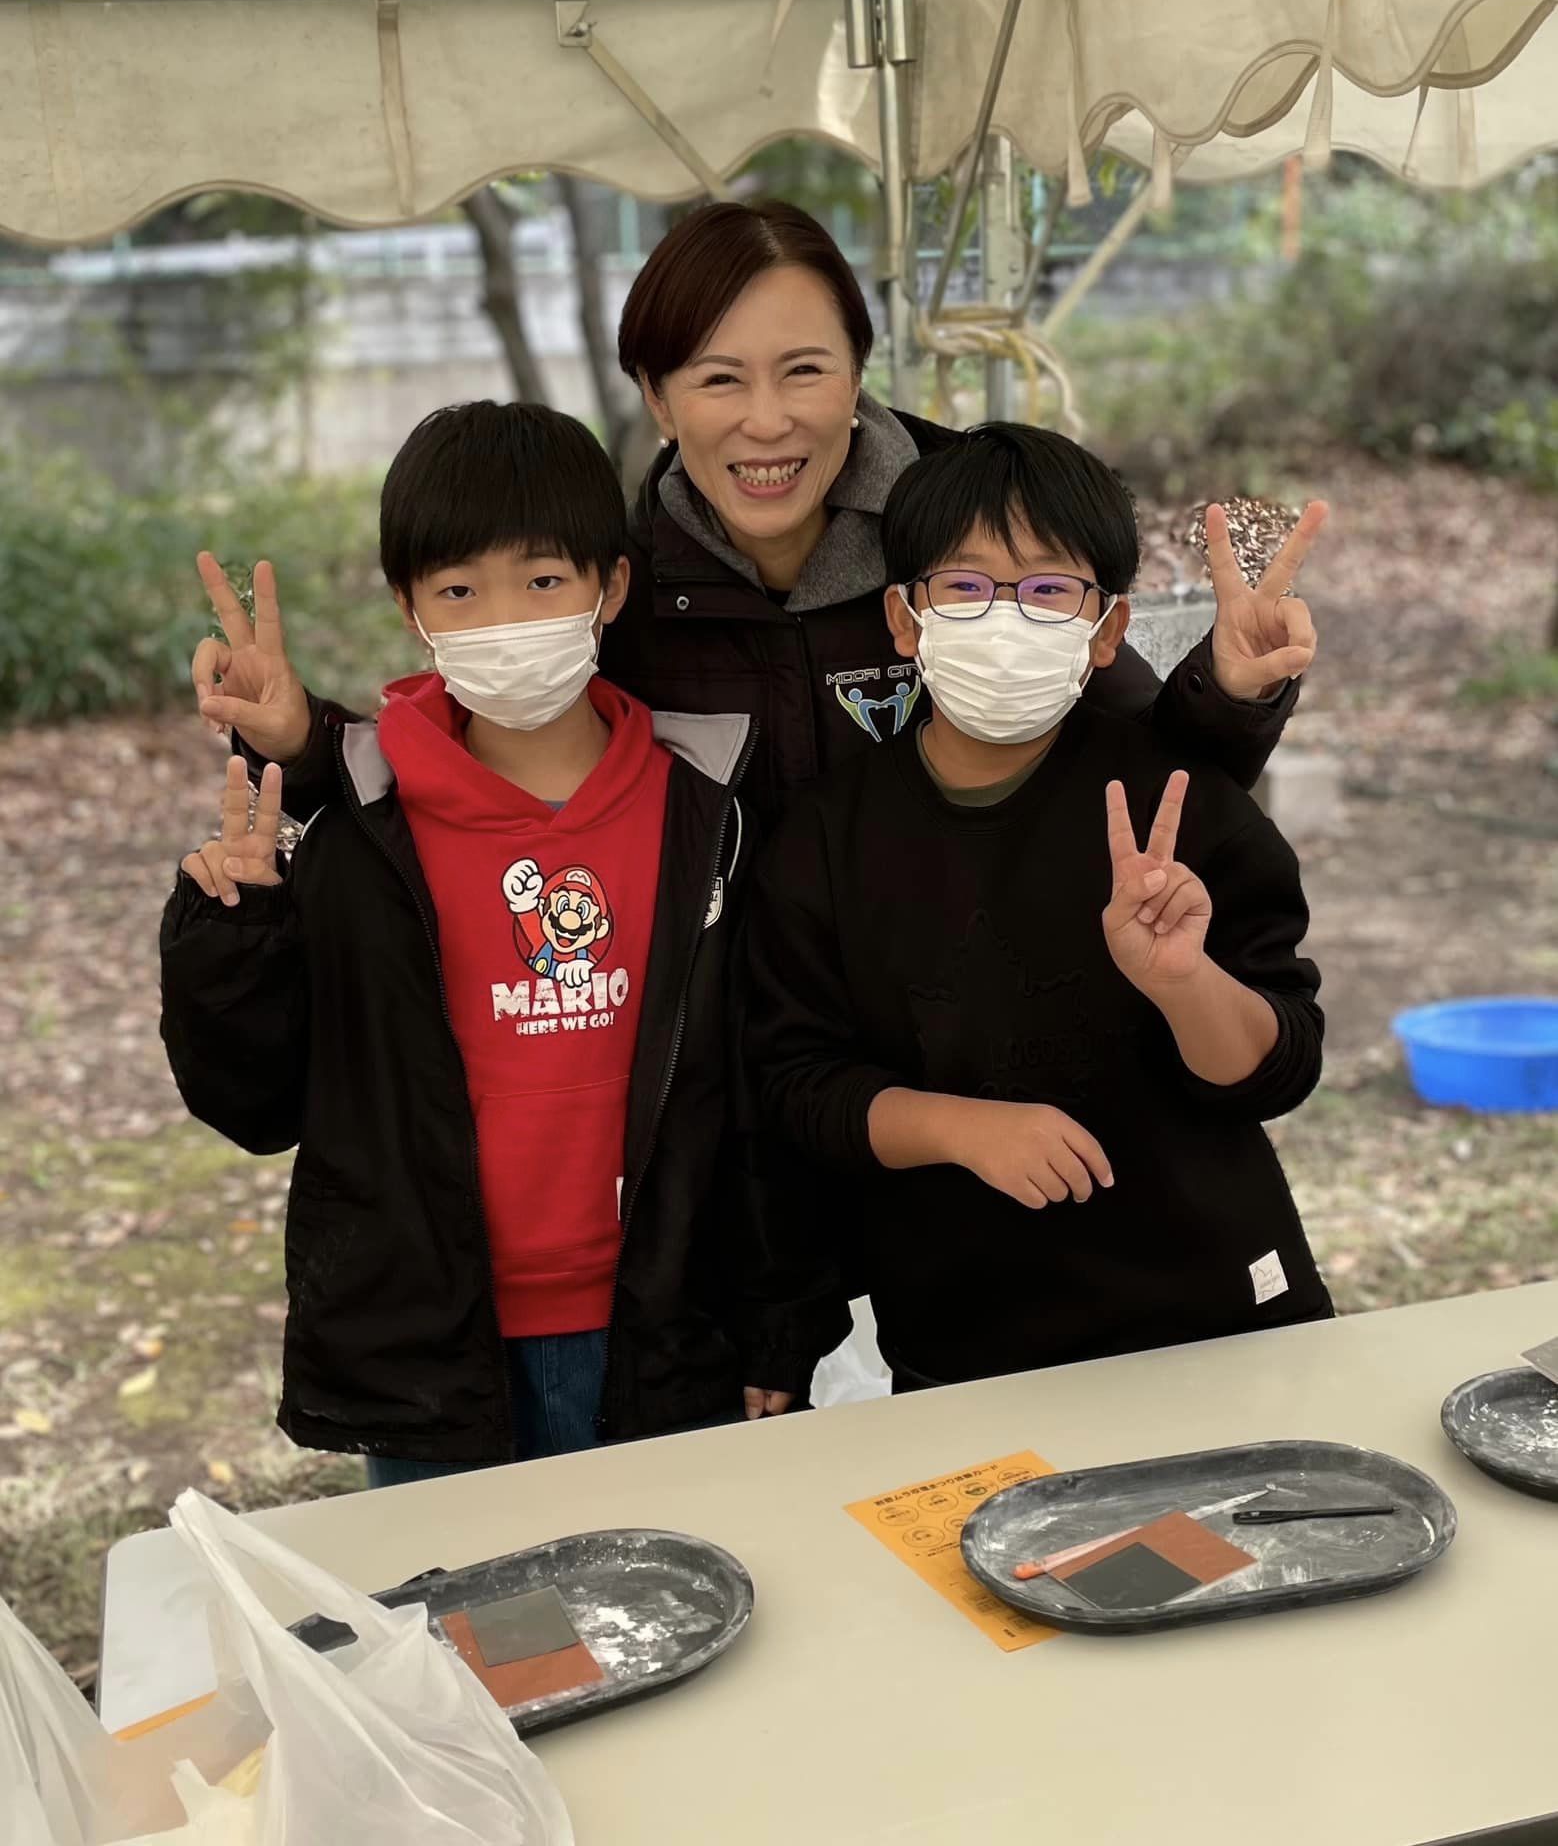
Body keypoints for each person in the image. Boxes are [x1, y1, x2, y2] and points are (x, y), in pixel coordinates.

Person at [190, 201, 1326, 833]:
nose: (767, 422)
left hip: (962, 1031)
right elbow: (474, 772)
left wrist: (1233, 688)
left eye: (804, 370)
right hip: (730, 1083)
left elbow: (1151, 757)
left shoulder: (969, 536)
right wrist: (293, 735)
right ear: (657, 395)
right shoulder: (617, 590)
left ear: (858, 373)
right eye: (719, 379)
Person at [161, 401, 786, 1486]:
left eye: (542, 581)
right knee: (477, 1647)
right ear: (412, 608)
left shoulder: (704, 808)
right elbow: (253, 1102)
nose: (502, 618)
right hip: (436, 1354)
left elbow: (760, 1079)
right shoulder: (359, 830)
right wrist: (232, 932)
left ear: (612, 587)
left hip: (663, 1334)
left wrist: (778, 1314)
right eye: (459, 588)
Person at [742, 423, 1332, 1396]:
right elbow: (798, 1081)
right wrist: (960, 1127)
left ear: (1105, 629)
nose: (1004, 617)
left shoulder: (1176, 797)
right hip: (970, 1344)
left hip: (1223, 1323)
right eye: (964, 586)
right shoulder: (824, 837)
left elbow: (1278, 1067)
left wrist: (1186, 984)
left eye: (1048, 589)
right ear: (903, 616)